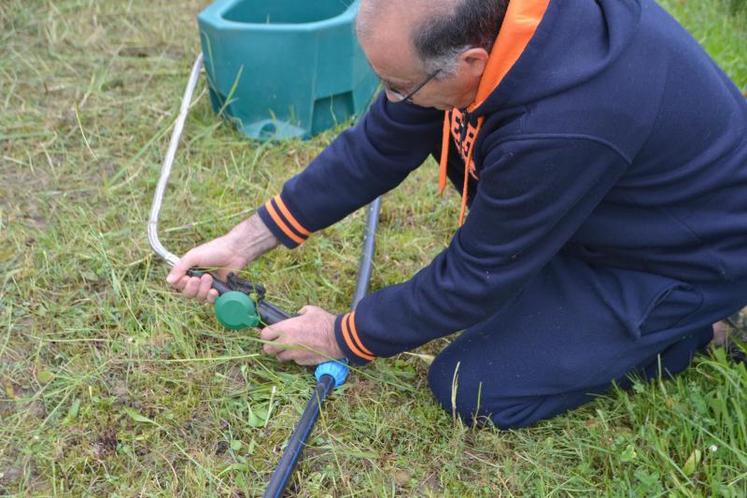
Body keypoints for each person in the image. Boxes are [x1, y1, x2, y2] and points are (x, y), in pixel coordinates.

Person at [167, 0, 747, 429]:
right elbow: (380, 143)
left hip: (680, 257)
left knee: (471, 387)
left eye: (397, 86)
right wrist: (245, 241)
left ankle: (697, 327)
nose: (389, 99)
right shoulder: (481, 25)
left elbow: (475, 279)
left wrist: (343, 336)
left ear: (471, 62)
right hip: (594, 212)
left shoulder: (566, 119)